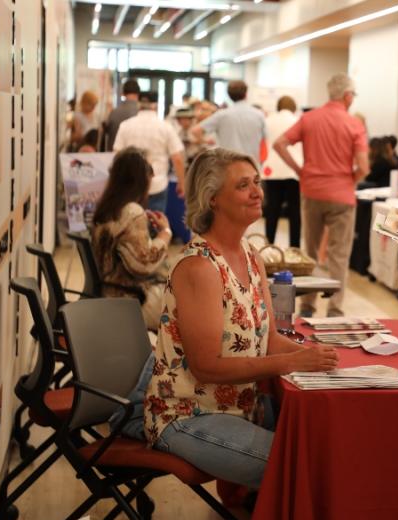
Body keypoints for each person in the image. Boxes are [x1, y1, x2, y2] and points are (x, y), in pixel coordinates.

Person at [143, 148, 339, 488]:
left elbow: (269, 339)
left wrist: (316, 354)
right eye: (244, 185)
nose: (257, 192)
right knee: (300, 465)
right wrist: (293, 363)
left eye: (257, 182)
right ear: (213, 198)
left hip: (238, 409)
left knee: (322, 448)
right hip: (187, 415)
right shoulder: (200, 267)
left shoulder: (250, 255)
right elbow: (206, 367)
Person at [273, 73, 369, 318]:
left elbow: (279, 144)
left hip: (312, 191)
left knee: (311, 252)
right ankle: (335, 310)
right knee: (339, 254)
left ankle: (307, 307)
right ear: (347, 96)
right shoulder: (354, 124)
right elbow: (364, 167)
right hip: (342, 196)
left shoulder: (309, 118)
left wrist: (299, 171)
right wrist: (350, 180)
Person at [91, 148, 171, 331]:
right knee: (189, 306)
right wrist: (165, 233)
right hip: (132, 300)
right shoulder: (132, 212)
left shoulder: (106, 209)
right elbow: (146, 263)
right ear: (140, 182)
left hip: (111, 294)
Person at [113, 91, 186, 212]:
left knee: (132, 222)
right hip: (157, 184)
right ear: (156, 105)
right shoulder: (165, 127)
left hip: (130, 185)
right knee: (155, 224)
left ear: (138, 105)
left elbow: (117, 155)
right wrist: (181, 183)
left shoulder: (125, 125)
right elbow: (177, 158)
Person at [192, 80, 265, 167]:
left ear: (229, 96)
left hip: (228, 166)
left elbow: (195, 131)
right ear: (246, 94)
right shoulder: (259, 114)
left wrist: (205, 141)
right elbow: (265, 140)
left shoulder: (222, 115)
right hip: (252, 165)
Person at [262, 95, 302, 248]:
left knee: (272, 208)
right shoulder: (297, 120)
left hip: (271, 169)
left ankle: (268, 245)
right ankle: (294, 247)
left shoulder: (268, 120)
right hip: (293, 168)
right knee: (294, 211)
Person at [105, 79, 140, 149]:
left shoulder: (114, 113)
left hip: (116, 156)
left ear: (123, 93)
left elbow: (107, 132)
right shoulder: (141, 113)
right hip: (136, 155)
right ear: (138, 94)